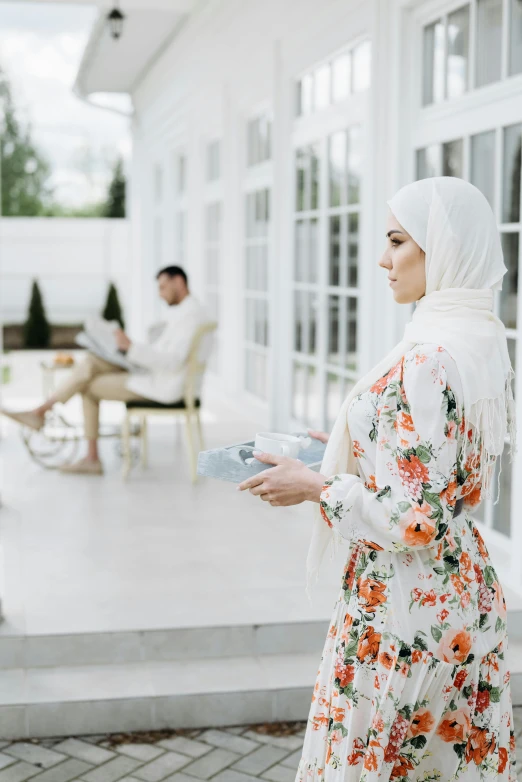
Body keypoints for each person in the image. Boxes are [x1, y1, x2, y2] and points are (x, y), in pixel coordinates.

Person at [238, 177, 517, 780]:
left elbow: (417, 517)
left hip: (402, 602)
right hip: (461, 593)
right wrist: (346, 449)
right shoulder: (475, 338)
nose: (383, 259)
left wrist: (315, 487)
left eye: (397, 240)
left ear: (440, 248)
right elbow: (441, 475)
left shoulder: (428, 356)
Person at [2, 266, 208, 475]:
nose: (160, 293)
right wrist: (129, 348)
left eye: (163, 287)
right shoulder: (188, 312)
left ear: (179, 282)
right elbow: (165, 354)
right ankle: (43, 413)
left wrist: (132, 347)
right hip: (155, 374)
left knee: (87, 384)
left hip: (163, 385)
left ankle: (81, 449)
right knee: (93, 361)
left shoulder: (190, 316)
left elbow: (171, 361)